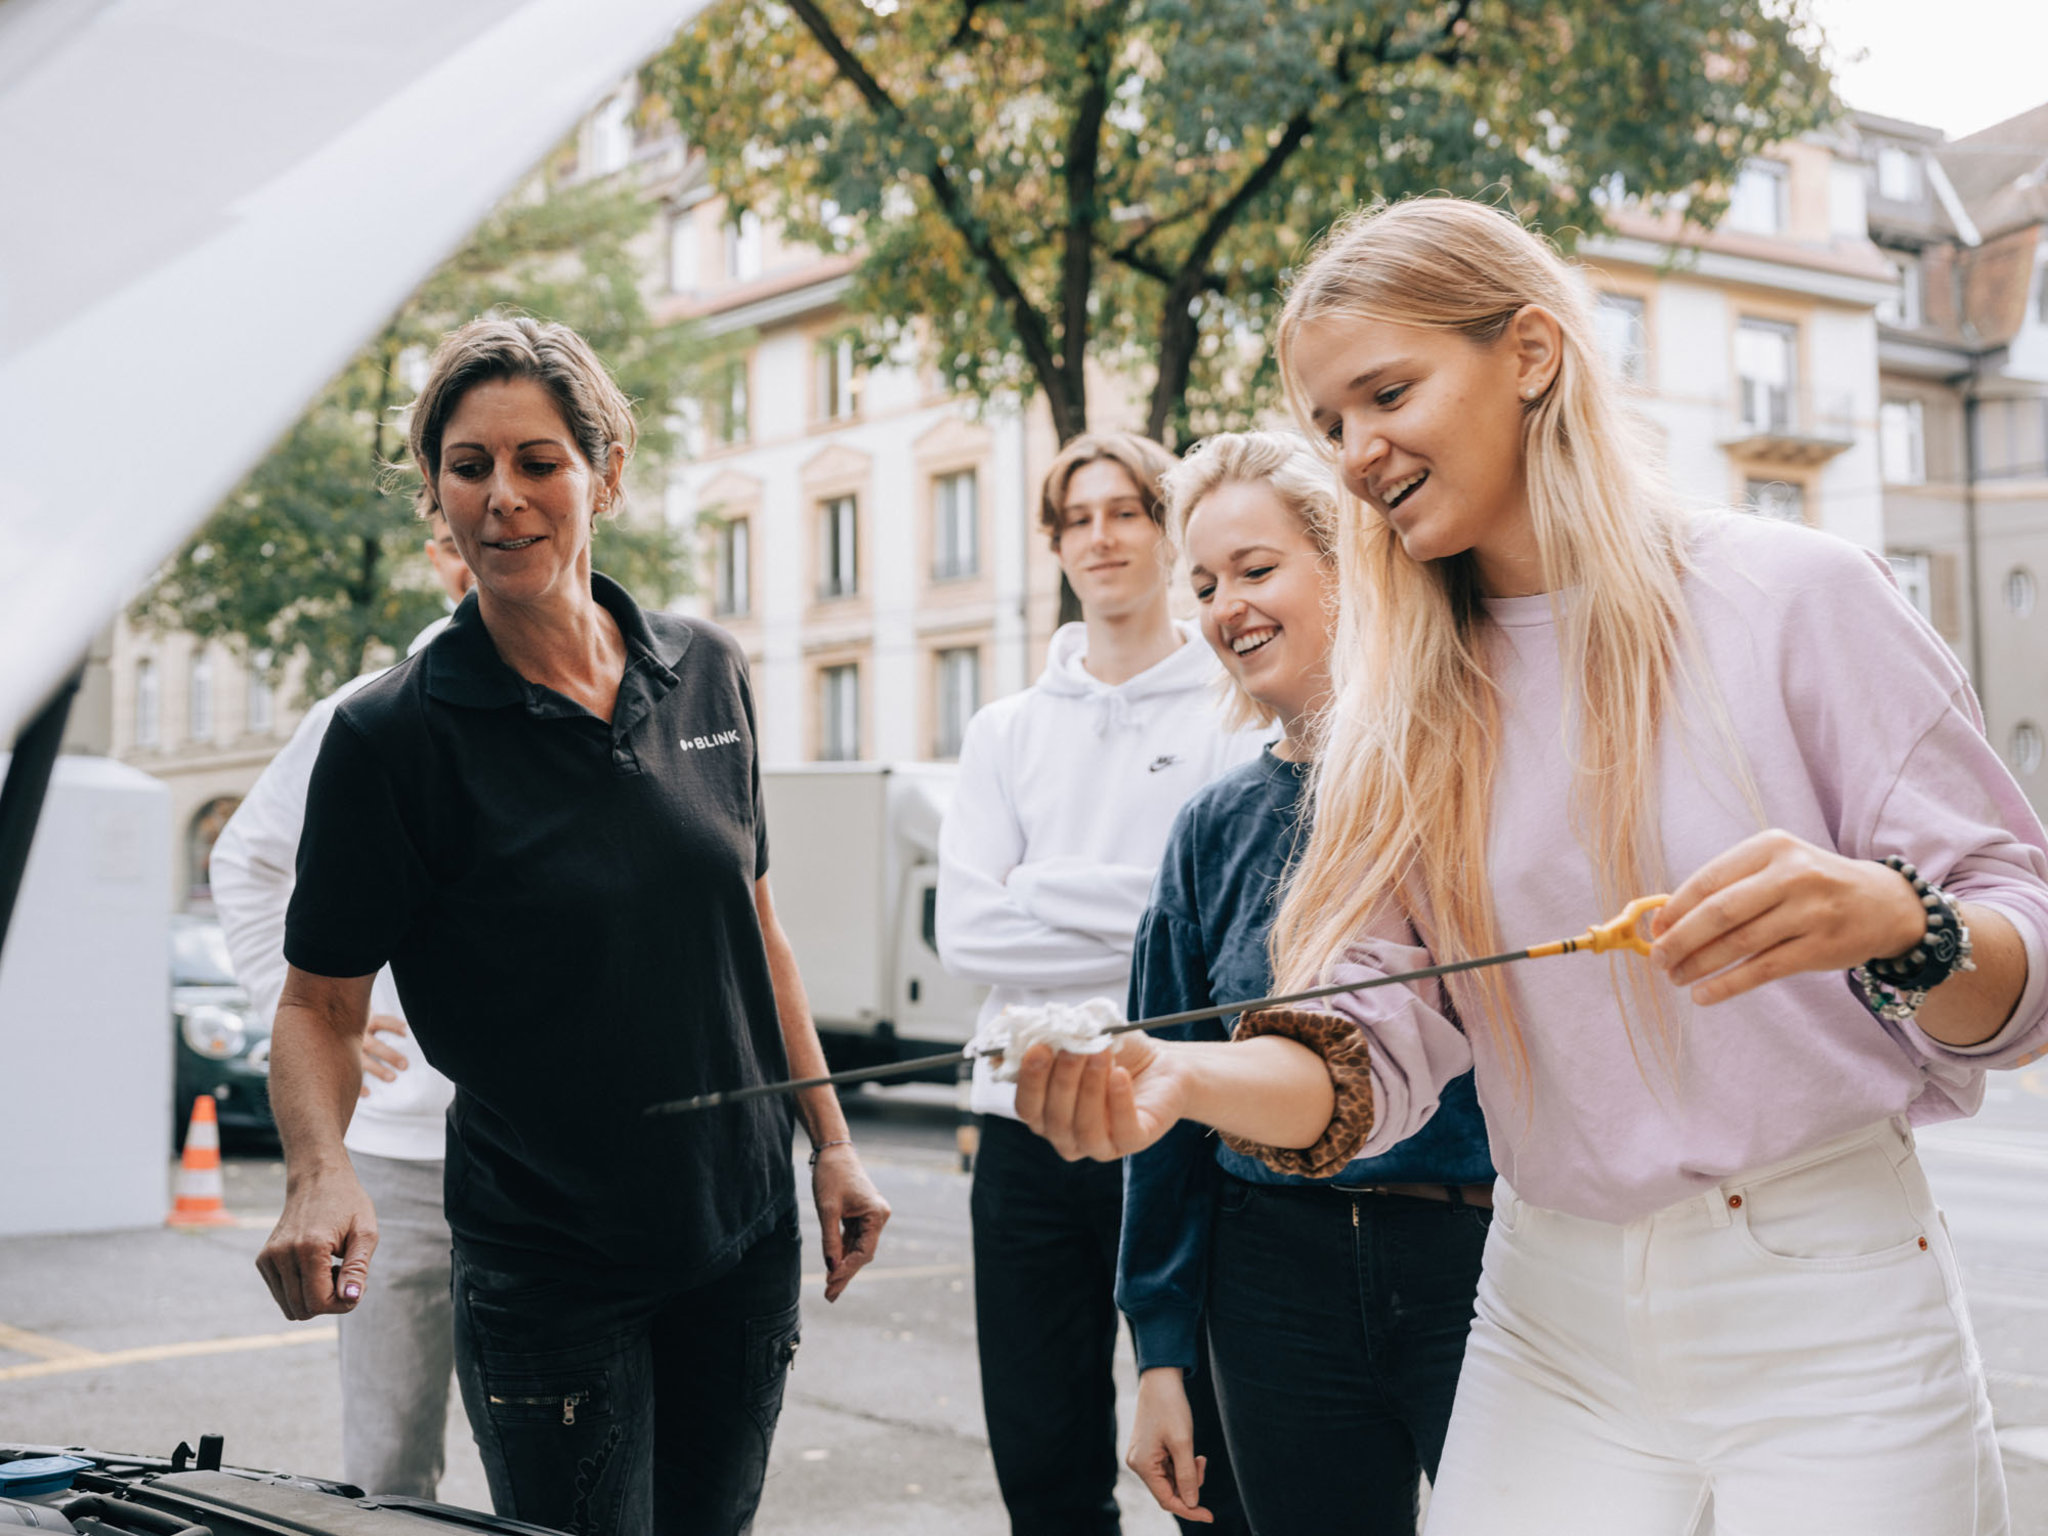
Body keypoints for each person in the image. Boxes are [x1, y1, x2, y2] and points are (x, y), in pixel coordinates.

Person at [1017, 197, 2048, 1536]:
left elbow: (2021, 977)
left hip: (1829, 1299)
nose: (1357, 453)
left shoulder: (1804, 595)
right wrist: (1175, 1078)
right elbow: (1365, 1049)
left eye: (1388, 392)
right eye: (1330, 424)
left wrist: (1897, 924)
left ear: (1534, 352)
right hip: (1548, 1311)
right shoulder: (1398, 705)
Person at [255, 316, 890, 1536]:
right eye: (468, 466)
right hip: (551, 1264)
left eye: (537, 462)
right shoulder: (394, 738)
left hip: (742, 1236)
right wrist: (318, 1171)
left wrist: (831, 1141)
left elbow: (755, 928)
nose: (502, 497)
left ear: (604, 472)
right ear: (435, 491)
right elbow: (318, 1003)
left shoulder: (703, 666)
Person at [1119, 430, 1493, 1535]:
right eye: (1201, 584)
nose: (1225, 605)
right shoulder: (1210, 831)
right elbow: (1163, 1102)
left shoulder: (1470, 766)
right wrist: (1160, 1354)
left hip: (1476, 1267)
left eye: (1254, 568)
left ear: (1345, 563)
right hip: (1269, 1278)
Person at [935, 431, 1265, 1536]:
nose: (1101, 536)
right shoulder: (1004, 730)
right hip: (1020, 1123)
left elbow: (1221, 939)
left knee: (1205, 1464)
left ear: (1168, 534)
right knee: (1043, 1458)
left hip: (1176, 1116)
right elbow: (967, 931)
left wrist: (1044, 885)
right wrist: (1141, 909)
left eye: (1125, 510)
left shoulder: (1232, 712)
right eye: (1076, 518)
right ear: (1054, 544)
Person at [213, 510, 474, 1498]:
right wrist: (319, 1017)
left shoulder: (586, 701)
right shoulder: (366, 713)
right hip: (403, 1161)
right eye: (462, 519)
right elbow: (246, 860)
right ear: (440, 554)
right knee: (390, 1465)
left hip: (548, 1167)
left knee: (556, 1463)